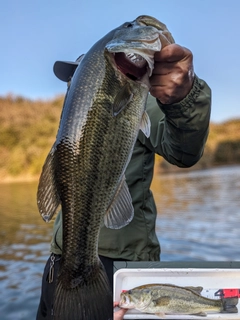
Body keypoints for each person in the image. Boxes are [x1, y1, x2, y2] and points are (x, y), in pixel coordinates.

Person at [36, 43, 211, 319]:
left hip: (117, 266)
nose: (74, 85)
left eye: (81, 76)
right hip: (62, 262)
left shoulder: (135, 100)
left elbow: (184, 151)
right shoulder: (75, 124)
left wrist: (182, 101)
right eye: (72, 79)